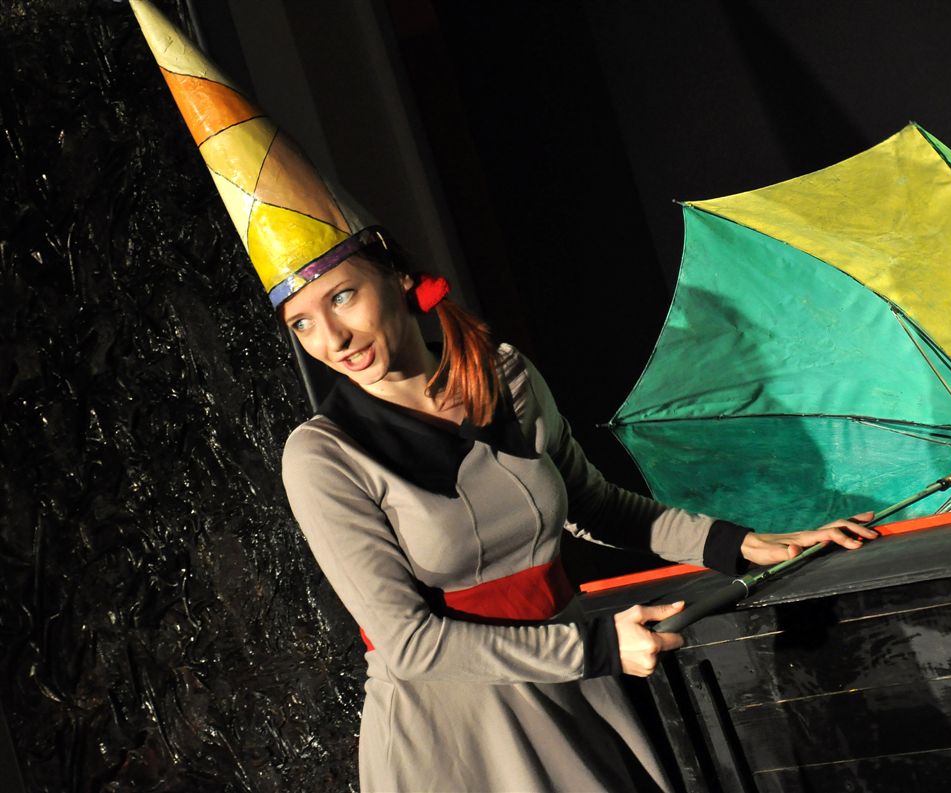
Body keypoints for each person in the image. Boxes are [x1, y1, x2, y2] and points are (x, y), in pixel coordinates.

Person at [128, 3, 876, 788]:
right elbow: (411, 641)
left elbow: (595, 503)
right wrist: (593, 646)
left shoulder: (503, 374)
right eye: (303, 323)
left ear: (396, 275)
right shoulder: (324, 457)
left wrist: (743, 543)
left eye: (342, 297)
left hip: (574, 684)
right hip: (456, 733)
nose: (332, 338)